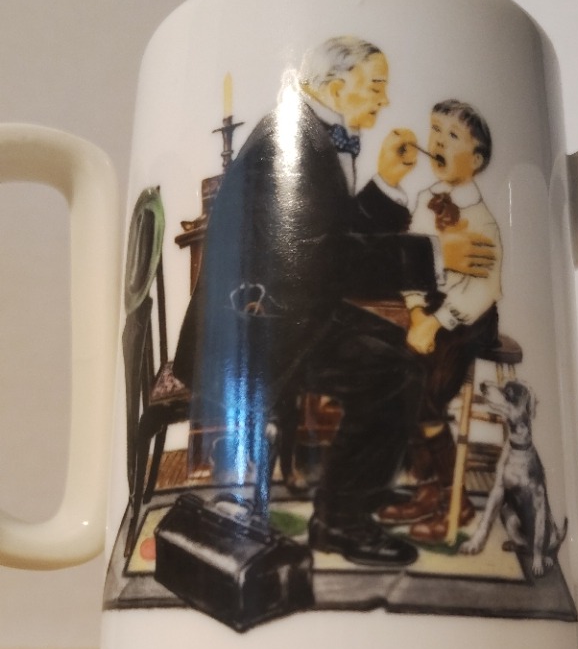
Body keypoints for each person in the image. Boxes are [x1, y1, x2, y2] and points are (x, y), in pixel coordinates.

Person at [173, 40, 497, 567]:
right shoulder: (291, 141)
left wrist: (386, 182)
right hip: (251, 329)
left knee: (401, 360)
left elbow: (328, 234)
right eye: (376, 87)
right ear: (336, 86)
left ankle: (347, 503)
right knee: (394, 372)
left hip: (291, 308)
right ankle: (341, 522)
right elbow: (319, 258)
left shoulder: (307, 132)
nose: (385, 99)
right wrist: (438, 252)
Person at [378, 100, 504, 542]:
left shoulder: (482, 220)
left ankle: (458, 502)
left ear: (478, 160)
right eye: (434, 131)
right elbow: (411, 267)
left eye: (452, 136)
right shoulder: (424, 202)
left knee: (423, 391)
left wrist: (435, 323)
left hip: (469, 317)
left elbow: (481, 291)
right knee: (394, 374)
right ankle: (427, 488)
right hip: (431, 309)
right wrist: (416, 311)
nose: (437, 142)